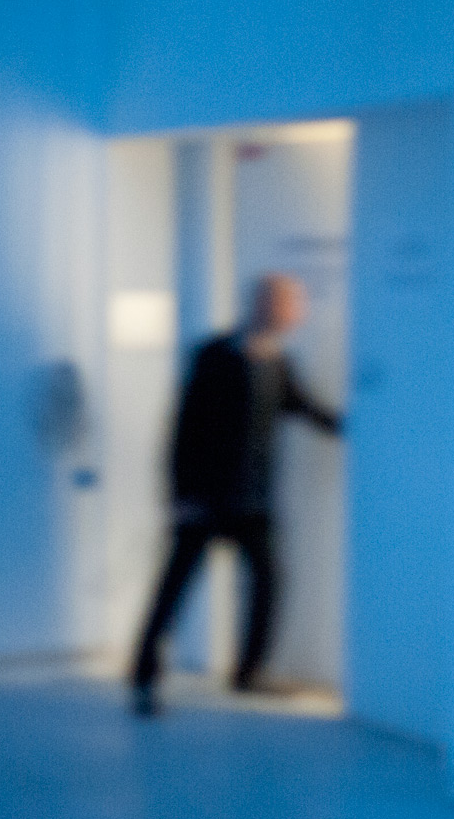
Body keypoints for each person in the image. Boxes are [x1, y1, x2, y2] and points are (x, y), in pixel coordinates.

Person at [130, 273, 342, 716]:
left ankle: (248, 673)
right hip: (204, 499)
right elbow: (183, 426)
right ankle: (145, 674)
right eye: (289, 305)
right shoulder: (214, 354)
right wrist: (179, 494)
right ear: (264, 305)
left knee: (269, 581)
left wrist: (364, 423)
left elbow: (304, 407)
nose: (296, 314)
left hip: (254, 502)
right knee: (175, 585)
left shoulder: (279, 363)